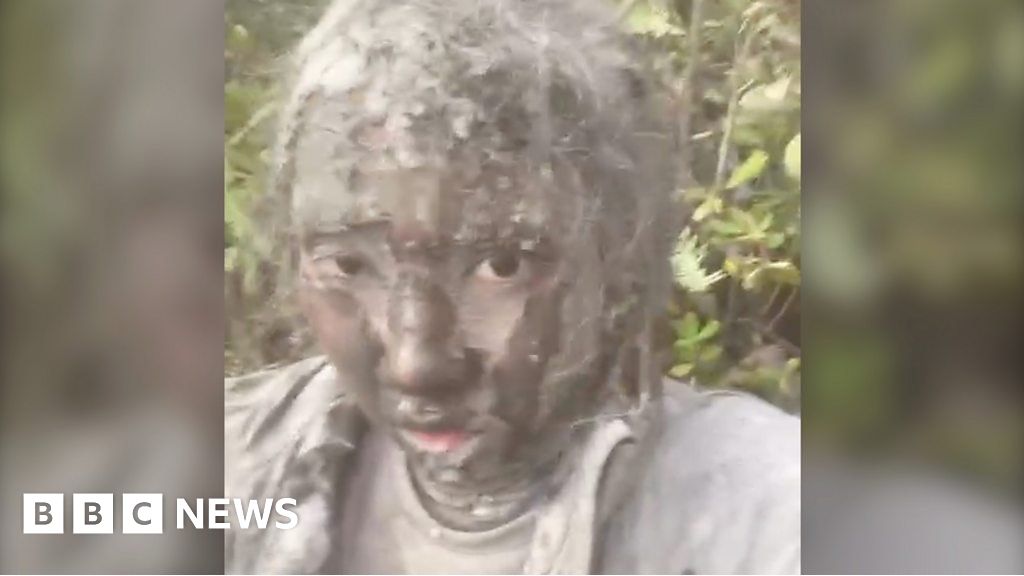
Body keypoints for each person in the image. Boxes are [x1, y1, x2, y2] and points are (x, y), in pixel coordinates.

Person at [225, 0, 800, 573]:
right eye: (348, 266)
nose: (414, 364)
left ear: (623, 261)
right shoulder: (228, 476)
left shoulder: (763, 515)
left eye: (502, 265)